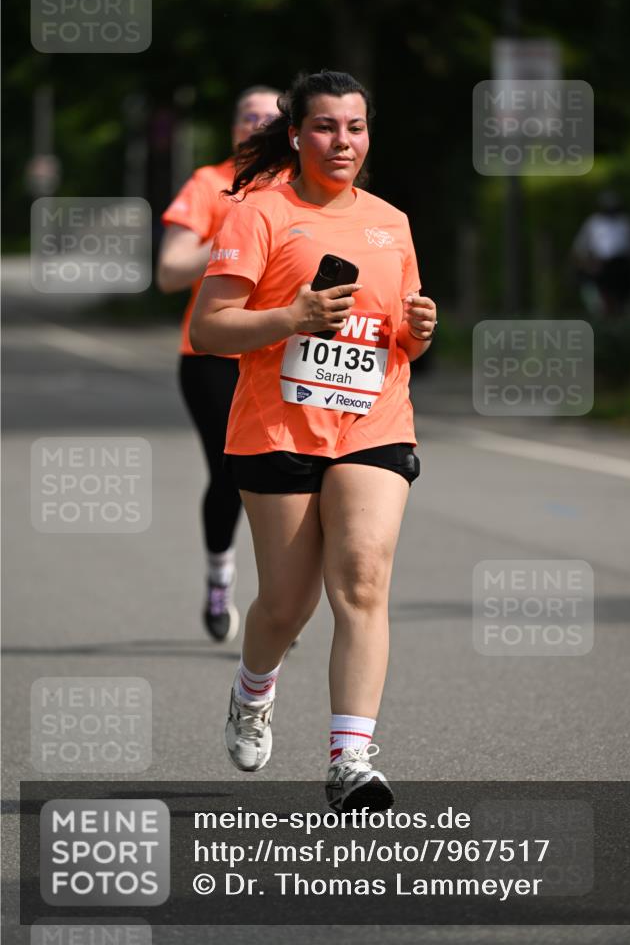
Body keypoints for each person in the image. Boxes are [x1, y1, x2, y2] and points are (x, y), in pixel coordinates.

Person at [190, 70, 437, 813]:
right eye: (325, 127)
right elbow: (208, 328)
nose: (342, 141)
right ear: (295, 135)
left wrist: (418, 334)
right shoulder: (257, 214)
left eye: (355, 127)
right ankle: (252, 692)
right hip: (277, 427)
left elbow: (398, 335)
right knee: (284, 606)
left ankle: (350, 759)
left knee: (361, 578)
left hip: (373, 423)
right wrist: (290, 317)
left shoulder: (390, 221)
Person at [157, 86, 280, 641]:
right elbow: (169, 271)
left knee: (285, 478)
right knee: (230, 473)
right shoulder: (210, 184)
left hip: (281, 351)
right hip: (211, 355)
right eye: (248, 117)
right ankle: (218, 578)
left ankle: (279, 597)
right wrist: (232, 239)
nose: (257, 126)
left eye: (269, 118)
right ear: (234, 128)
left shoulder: (297, 189)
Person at [572, 190, 630, 317]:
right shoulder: (593, 223)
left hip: (622, 265)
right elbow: (580, 248)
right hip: (601, 266)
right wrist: (589, 264)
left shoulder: (626, 222)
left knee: (622, 297)